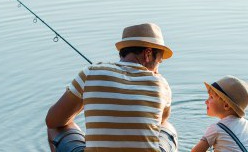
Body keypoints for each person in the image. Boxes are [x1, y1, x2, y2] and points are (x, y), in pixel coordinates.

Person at [46, 23, 178, 152]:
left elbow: (52, 121)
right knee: (168, 127)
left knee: (56, 127)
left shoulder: (91, 73)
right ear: (148, 54)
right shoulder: (161, 84)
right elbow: (161, 122)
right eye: (159, 62)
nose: (157, 68)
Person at [191, 75, 248, 152]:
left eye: (211, 97)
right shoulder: (245, 125)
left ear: (226, 105)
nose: (206, 101)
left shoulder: (216, 128)